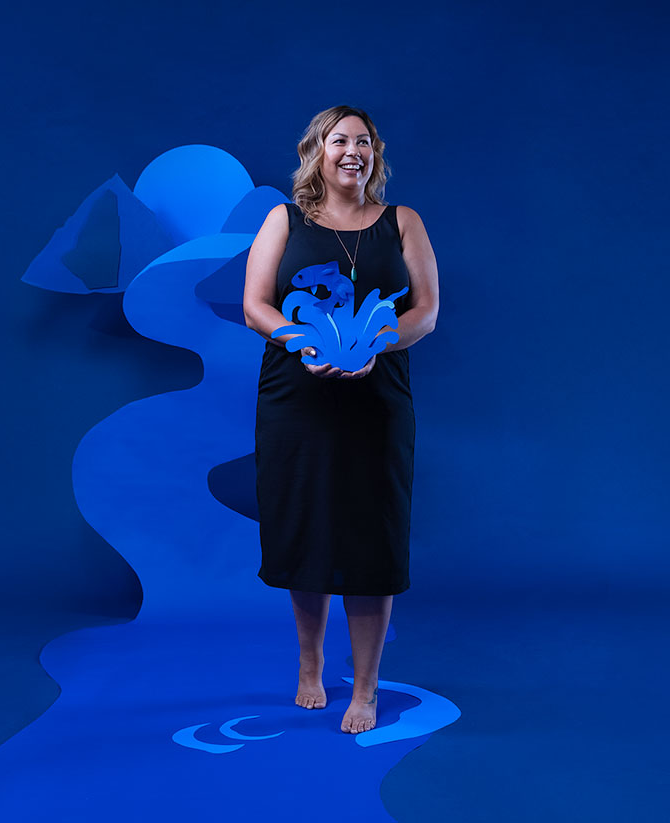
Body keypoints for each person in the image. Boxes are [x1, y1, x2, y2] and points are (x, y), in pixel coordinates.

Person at [242, 106, 439, 734]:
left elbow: (426, 311)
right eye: (339, 141)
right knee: (308, 530)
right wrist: (308, 345)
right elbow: (255, 306)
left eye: (363, 142)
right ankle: (309, 668)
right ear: (317, 151)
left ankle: (366, 688)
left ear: (375, 154)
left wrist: (371, 347)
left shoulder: (402, 222)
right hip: (297, 403)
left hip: (376, 403)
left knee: (371, 539)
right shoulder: (284, 220)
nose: (352, 151)